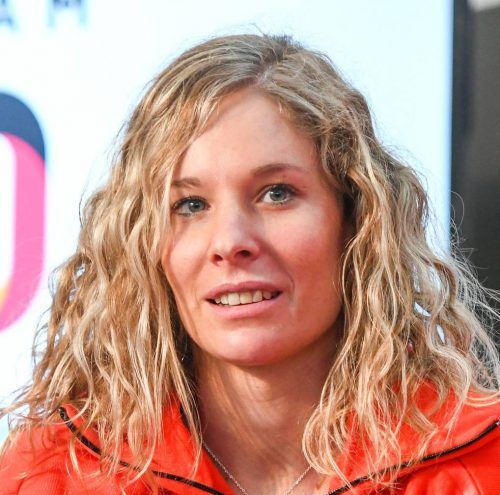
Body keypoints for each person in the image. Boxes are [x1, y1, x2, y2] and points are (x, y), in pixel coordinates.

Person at [1, 33, 499, 495]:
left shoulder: (483, 466)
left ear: (356, 219)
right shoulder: (47, 475)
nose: (230, 242)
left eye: (276, 193)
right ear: (144, 243)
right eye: (190, 204)